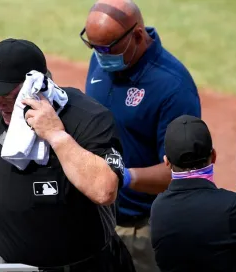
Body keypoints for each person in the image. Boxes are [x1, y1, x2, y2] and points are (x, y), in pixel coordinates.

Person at [0, 38, 136, 271]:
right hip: (9, 265)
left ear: (37, 87)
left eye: (8, 94)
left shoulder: (87, 118)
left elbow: (105, 190)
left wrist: (56, 136)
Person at [81, 0, 201, 271]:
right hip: (94, 221)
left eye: (106, 48)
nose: (99, 55)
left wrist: (123, 176)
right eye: (92, 46)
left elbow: (182, 173)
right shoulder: (102, 60)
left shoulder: (173, 88)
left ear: (137, 35)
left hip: (142, 230)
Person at [150, 114, 236, 271]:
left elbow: (202, 227)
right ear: (214, 156)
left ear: (167, 162)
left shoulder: (158, 209)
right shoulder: (234, 209)